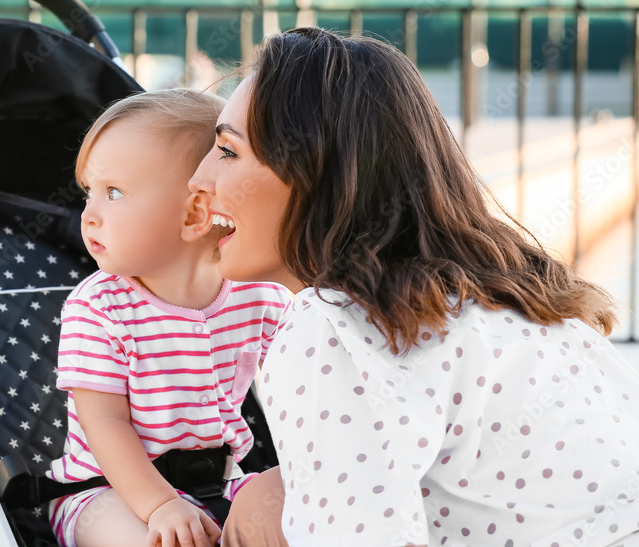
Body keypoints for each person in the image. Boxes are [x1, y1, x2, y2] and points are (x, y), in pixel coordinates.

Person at [187, 27, 639, 546]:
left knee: (262, 508)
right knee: (270, 495)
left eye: (227, 151)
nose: (198, 179)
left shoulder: (334, 326)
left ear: (316, 169)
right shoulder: (521, 295)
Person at [45, 88, 292, 547]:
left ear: (196, 213)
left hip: (219, 481)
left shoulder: (259, 294)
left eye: (113, 193)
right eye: (89, 193)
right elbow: (104, 424)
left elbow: (298, 384)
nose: (88, 215)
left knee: (294, 519)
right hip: (105, 492)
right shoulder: (98, 308)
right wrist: (159, 504)